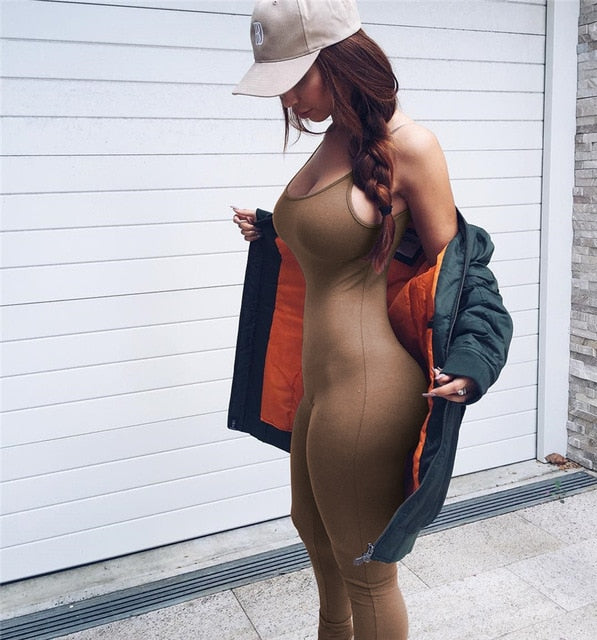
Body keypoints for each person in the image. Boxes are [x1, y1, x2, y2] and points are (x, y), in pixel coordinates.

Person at [228, 1, 513, 638]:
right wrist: (275, 233)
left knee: (365, 570)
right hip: (319, 387)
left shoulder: (412, 146)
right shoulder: (336, 137)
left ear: (337, 61)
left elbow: (461, 268)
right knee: (314, 534)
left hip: (368, 390)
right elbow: (344, 245)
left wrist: (474, 358)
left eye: (293, 81)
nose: (288, 101)